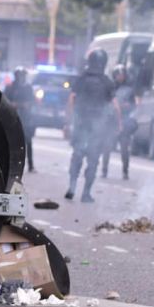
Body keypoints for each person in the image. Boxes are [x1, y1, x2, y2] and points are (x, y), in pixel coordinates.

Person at [63, 49, 121, 203]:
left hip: (81, 125)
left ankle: (72, 187)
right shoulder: (107, 82)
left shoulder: (81, 80)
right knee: (93, 161)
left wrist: (67, 123)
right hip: (98, 129)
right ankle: (86, 193)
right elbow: (115, 107)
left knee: (77, 156)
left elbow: (71, 100)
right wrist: (118, 126)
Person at [101, 64, 136, 180]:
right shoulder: (110, 89)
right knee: (107, 147)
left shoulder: (129, 90)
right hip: (111, 121)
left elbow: (133, 106)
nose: (120, 77)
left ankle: (125, 171)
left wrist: (125, 107)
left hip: (124, 123)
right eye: (118, 75)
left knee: (124, 148)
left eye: (122, 75)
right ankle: (104, 170)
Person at [3, 66, 36, 172]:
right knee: (12, 142)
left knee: (28, 141)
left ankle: (30, 165)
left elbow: (31, 102)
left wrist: (24, 106)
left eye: (23, 75)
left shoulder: (28, 88)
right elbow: (5, 102)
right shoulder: (10, 87)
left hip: (26, 118)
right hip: (13, 118)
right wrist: (15, 105)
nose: (21, 77)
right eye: (19, 75)